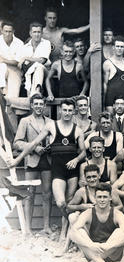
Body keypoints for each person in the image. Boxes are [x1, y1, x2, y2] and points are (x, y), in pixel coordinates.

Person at [22, 99, 86, 241]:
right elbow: (33, 143)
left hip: (72, 171)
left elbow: (83, 152)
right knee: (61, 203)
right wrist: (16, 160)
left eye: (70, 110)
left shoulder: (78, 130)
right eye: (65, 110)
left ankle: (65, 232)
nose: (67, 113)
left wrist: (76, 160)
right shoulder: (51, 126)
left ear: (73, 111)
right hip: (57, 170)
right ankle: (71, 226)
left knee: (69, 201)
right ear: (60, 111)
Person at [13, 94, 53, 235]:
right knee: (29, 194)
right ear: (31, 105)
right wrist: (34, 147)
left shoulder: (50, 122)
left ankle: (46, 227)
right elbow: (17, 143)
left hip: (47, 160)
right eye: (35, 104)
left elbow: (54, 139)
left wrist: (49, 147)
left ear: (44, 106)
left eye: (41, 104)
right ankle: (28, 229)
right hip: (31, 161)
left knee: (47, 194)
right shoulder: (25, 121)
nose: (38, 106)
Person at [69, 183, 124, 262]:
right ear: (95, 198)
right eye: (99, 197)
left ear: (110, 198)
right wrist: (90, 245)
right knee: (78, 231)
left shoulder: (117, 214)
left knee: (120, 231)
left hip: (112, 255)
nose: (102, 200)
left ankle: (97, 261)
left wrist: (107, 246)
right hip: (93, 252)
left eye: (105, 197)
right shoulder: (88, 213)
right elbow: (72, 233)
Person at [0, 21, 24, 129]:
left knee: (12, 101)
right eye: (6, 31)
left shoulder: (19, 43)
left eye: (10, 31)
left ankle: (12, 131)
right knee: (2, 67)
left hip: (15, 72)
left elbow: (17, 62)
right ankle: (2, 88)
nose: (8, 34)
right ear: (1, 30)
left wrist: (3, 60)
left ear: (13, 31)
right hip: (2, 71)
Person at [18, 22, 51, 97]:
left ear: (42, 33)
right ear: (30, 33)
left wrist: (26, 58)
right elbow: (22, 65)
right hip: (29, 74)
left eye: (39, 32)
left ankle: (37, 92)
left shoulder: (46, 43)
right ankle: (34, 95)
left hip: (45, 73)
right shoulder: (25, 47)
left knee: (38, 67)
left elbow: (42, 60)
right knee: (33, 72)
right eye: (34, 32)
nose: (37, 34)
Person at [103, 36, 124, 114]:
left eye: (122, 47)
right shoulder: (107, 63)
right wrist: (104, 102)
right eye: (117, 46)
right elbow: (105, 84)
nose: (119, 48)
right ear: (113, 47)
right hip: (111, 98)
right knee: (111, 123)